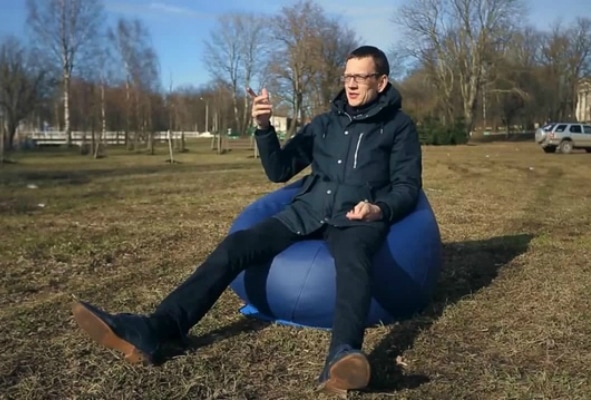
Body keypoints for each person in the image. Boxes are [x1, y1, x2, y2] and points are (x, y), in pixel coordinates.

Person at [71, 45, 422, 396]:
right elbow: (279, 170)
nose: (351, 84)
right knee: (236, 245)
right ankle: (158, 329)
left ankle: (341, 357)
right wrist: (263, 127)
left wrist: (378, 209)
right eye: (347, 76)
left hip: (355, 217)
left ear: (381, 81)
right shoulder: (325, 124)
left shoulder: (399, 127)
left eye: (360, 77)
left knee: (353, 261)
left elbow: (407, 187)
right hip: (307, 212)